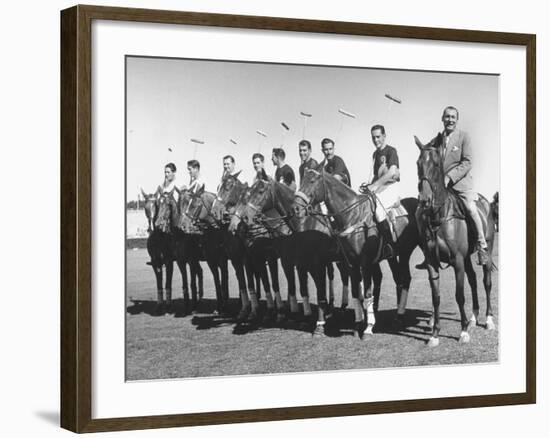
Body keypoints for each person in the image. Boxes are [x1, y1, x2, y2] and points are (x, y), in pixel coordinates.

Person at [416, 106, 489, 268]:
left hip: (461, 185)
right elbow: (427, 153)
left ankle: (482, 245)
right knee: (422, 212)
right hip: (441, 189)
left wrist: (450, 176)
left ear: (457, 120)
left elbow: (467, 162)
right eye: (447, 117)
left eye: (453, 117)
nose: (450, 120)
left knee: (471, 208)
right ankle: (427, 252)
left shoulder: (464, 137)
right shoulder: (438, 139)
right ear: (442, 119)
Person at [359, 125, 400, 259]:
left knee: (379, 211)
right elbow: (376, 176)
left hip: (391, 186)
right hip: (380, 188)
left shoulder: (391, 151)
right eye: (373, 137)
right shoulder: (375, 154)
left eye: (378, 137)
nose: (376, 140)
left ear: (384, 136)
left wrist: (375, 185)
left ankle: (390, 246)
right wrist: (369, 186)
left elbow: (392, 172)